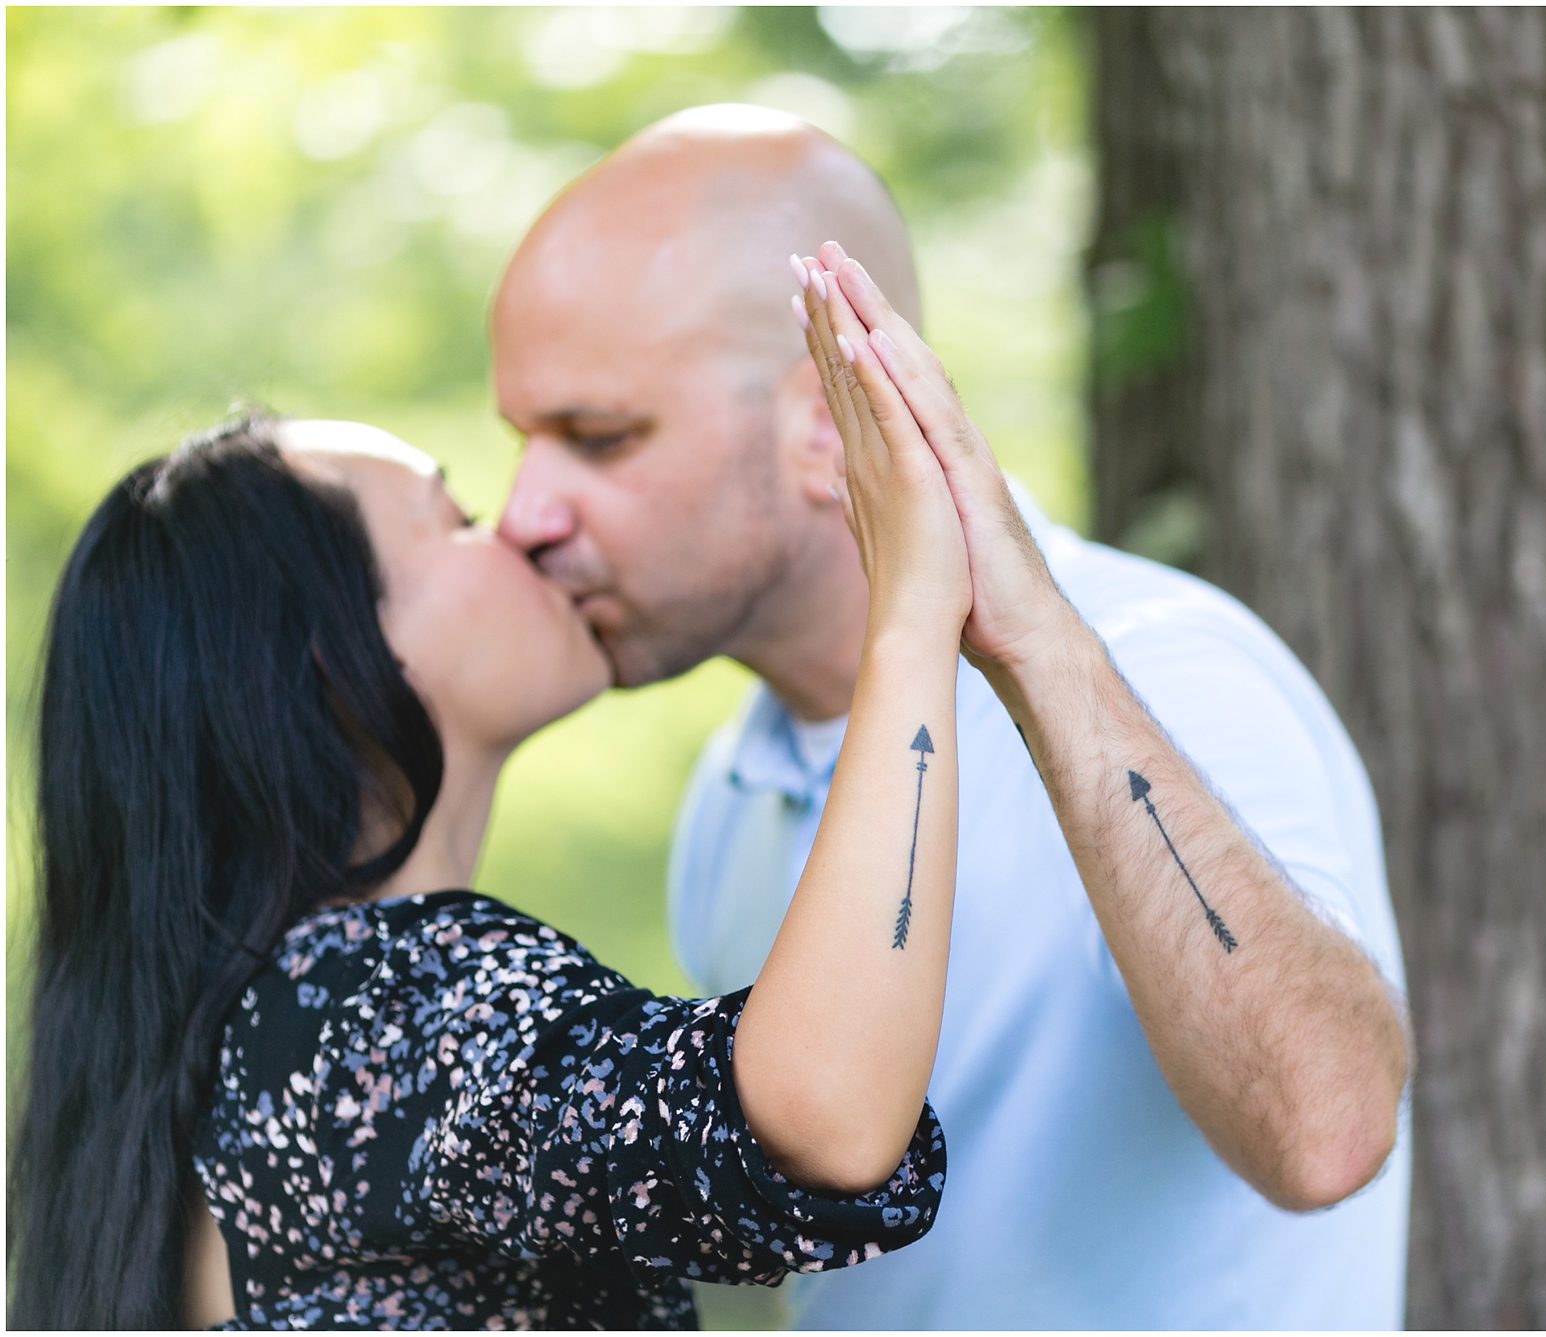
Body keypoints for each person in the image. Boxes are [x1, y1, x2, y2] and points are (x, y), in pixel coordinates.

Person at [494, 103, 1416, 1330]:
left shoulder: (1168, 671)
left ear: (828, 417)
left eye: (597, 437)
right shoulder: (736, 785)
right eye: (522, 440)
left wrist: (1025, 637)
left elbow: (1326, 1130)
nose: (525, 511)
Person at [6, 342, 970, 1329]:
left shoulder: (271, 1029)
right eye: (455, 520)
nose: (524, 527)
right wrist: (910, 609)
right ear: (335, 655)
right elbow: (820, 1120)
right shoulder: (373, 1007)